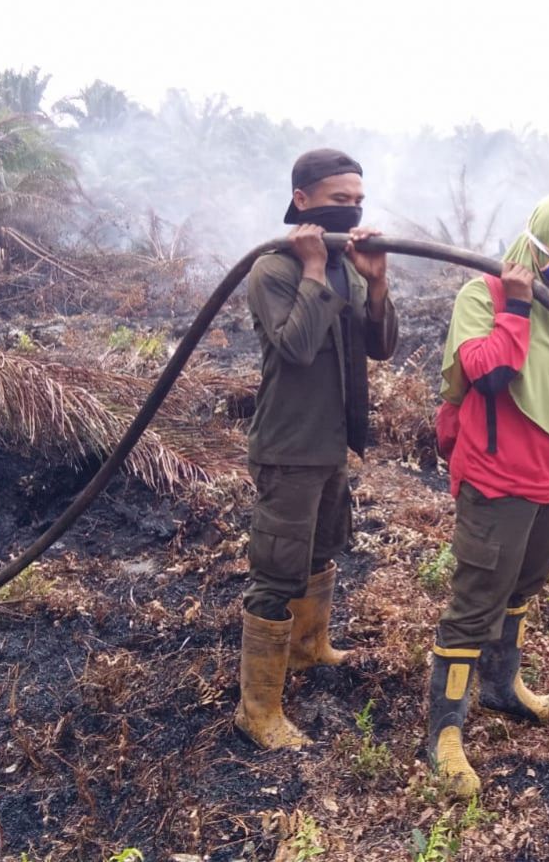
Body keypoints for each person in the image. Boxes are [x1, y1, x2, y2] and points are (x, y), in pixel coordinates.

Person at [426, 192, 549, 796]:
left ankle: (501, 686)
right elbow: (488, 374)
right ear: (543, 242)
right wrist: (516, 307)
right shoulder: (482, 296)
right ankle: (443, 731)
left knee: (522, 587)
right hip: (497, 477)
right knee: (477, 598)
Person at [235, 148, 398, 750]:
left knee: (322, 549)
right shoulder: (274, 269)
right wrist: (310, 269)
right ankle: (257, 712)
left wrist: (375, 281)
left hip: (332, 444)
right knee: (277, 571)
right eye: (338, 201)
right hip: (290, 446)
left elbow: (378, 347)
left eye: (357, 201)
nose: (351, 211)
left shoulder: (348, 267)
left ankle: (308, 648)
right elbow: (297, 348)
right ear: (302, 201)